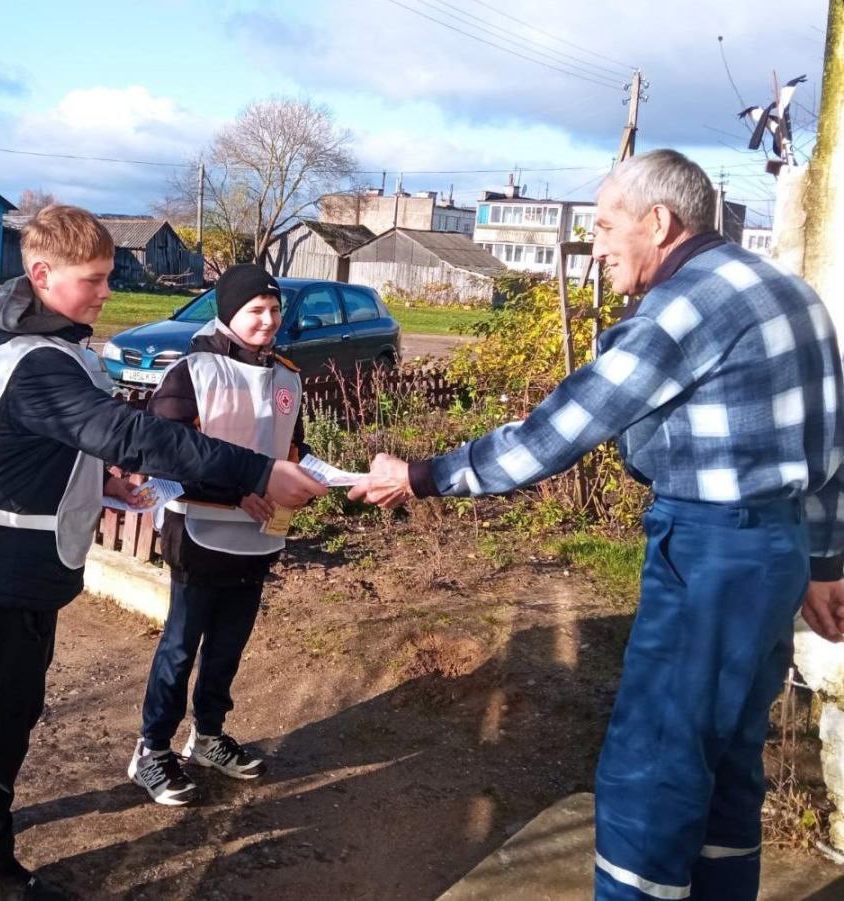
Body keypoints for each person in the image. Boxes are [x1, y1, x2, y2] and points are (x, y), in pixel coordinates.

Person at [349, 149, 844, 901]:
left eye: (607, 224)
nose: (598, 242)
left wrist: (420, 476)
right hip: (772, 550)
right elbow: (828, 441)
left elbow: (557, 433)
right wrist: (822, 557)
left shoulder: (682, 308)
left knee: (655, 760)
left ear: (658, 222)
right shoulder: (787, 290)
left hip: (708, 552)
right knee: (729, 759)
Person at [0, 206, 325, 901]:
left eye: (109, 277)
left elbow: (39, 447)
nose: (107, 292)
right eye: (96, 279)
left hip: (10, 552)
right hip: (6, 559)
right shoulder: (35, 363)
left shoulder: (34, 345)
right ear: (41, 274)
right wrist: (257, 471)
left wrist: (98, 480)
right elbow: (124, 432)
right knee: (4, 712)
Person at [128, 264, 309, 806]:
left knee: (229, 646)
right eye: (256, 310)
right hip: (200, 529)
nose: (268, 321)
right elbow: (164, 448)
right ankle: (152, 749)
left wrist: (309, 480)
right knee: (181, 647)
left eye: (275, 311)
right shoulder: (192, 370)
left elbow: (291, 447)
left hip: (260, 531)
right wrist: (235, 491)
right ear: (228, 312)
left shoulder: (287, 376)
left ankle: (207, 737)